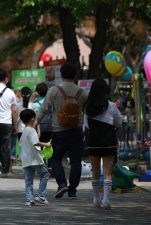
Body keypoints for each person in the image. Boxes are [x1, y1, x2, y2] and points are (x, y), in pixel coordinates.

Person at [36, 63, 88, 199]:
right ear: (76, 75)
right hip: (77, 131)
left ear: (61, 75)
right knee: (76, 161)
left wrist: (34, 124)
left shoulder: (54, 90)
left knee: (55, 158)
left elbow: (43, 109)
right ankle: (72, 191)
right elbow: (88, 112)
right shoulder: (82, 92)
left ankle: (62, 183)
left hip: (59, 130)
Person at [84, 79, 123, 210]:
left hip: (94, 142)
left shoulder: (87, 107)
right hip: (108, 142)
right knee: (107, 172)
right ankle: (106, 200)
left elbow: (87, 125)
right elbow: (119, 122)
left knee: (95, 173)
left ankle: (96, 199)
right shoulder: (111, 106)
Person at [19, 109, 51, 206]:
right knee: (45, 174)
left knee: (28, 179)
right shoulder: (32, 130)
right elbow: (35, 143)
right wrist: (46, 144)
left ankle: (29, 199)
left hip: (26, 159)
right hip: (35, 159)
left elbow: (22, 145)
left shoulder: (24, 132)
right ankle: (41, 195)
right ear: (33, 119)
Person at [0, 68, 18, 177]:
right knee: (6, 147)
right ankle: (5, 170)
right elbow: (14, 110)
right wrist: (15, 125)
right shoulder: (10, 92)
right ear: (6, 78)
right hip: (7, 122)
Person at [10, 86, 32, 173]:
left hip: (20, 130)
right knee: (29, 149)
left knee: (22, 148)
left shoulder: (18, 106)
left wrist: (15, 126)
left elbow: (17, 118)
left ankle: (23, 166)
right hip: (30, 130)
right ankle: (27, 168)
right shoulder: (32, 106)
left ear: (21, 95)